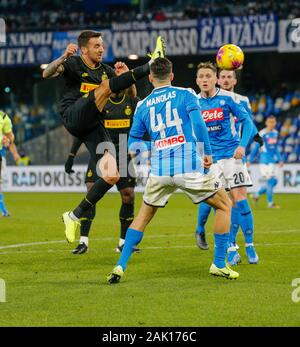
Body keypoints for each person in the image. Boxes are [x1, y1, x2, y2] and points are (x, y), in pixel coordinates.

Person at [107, 57, 239, 284]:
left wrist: (156, 145)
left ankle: (120, 265)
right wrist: (206, 152)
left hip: (159, 171)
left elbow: (132, 145)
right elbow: (198, 125)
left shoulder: (142, 105)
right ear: (172, 75)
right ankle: (218, 264)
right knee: (225, 205)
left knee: (143, 216)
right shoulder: (186, 94)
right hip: (188, 166)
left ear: (149, 78)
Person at [42, 30, 165, 243]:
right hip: (73, 115)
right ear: (84, 49)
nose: (101, 49)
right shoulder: (73, 64)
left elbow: (130, 95)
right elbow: (47, 73)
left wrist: (127, 76)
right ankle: (150, 64)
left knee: (112, 175)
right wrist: (63, 56)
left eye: (101, 45)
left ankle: (73, 215)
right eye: (96, 45)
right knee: (105, 87)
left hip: (93, 126)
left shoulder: (106, 71)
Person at [195, 63, 259, 266]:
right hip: (211, 160)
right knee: (221, 204)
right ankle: (231, 247)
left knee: (240, 199)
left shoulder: (228, 99)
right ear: (197, 81)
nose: (205, 79)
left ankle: (249, 244)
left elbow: (247, 122)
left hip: (232, 156)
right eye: (201, 76)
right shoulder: (193, 102)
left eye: (208, 76)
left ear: (216, 79)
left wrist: (242, 145)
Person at [65, 88, 140, 255]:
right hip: (101, 150)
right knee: (91, 189)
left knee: (128, 194)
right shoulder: (100, 101)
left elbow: (143, 121)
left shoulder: (131, 101)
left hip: (122, 152)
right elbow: (83, 129)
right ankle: (83, 241)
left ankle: (123, 242)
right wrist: (71, 154)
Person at [249, 115, 283, 209]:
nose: (272, 124)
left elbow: (276, 148)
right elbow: (256, 147)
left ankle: (256, 194)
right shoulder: (262, 134)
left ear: (275, 123)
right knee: (271, 181)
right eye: (270, 122)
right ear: (266, 123)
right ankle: (270, 203)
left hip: (273, 161)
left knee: (274, 181)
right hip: (265, 162)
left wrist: (279, 159)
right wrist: (250, 160)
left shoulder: (275, 133)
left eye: (273, 122)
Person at [0, 111, 20, 217]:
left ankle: (3, 211)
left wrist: (15, 153)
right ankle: (3, 211)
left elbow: (10, 137)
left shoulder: (4, 118)